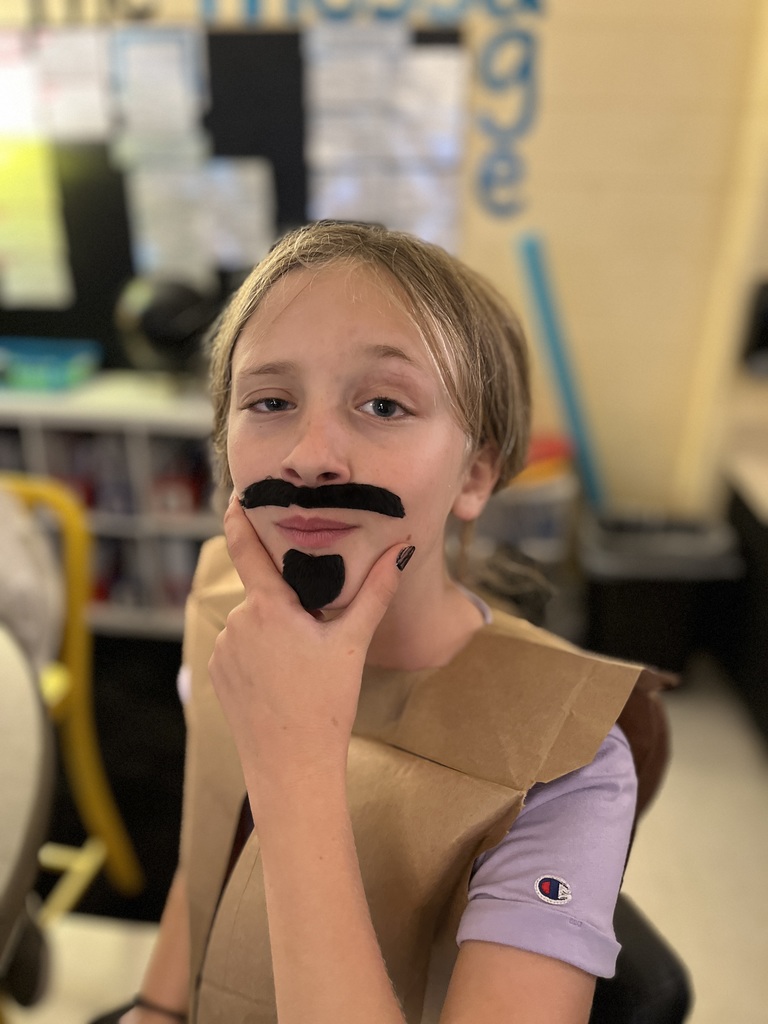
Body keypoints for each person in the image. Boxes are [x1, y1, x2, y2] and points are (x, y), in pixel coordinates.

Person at [119, 221, 658, 1024]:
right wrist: (157, 1009)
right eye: (270, 400)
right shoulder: (225, 623)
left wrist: (295, 766)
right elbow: (209, 851)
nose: (310, 455)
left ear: (474, 474)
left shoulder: (567, 762)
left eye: (383, 403)